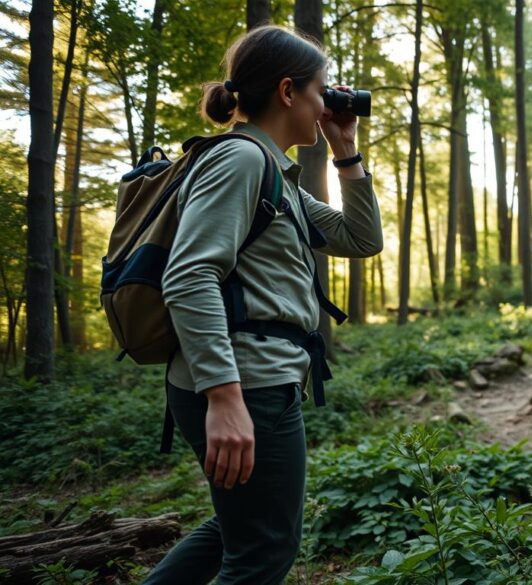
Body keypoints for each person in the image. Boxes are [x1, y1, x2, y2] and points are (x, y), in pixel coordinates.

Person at [140, 24, 383, 584]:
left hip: (256, 380)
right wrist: (224, 397)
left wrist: (346, 150)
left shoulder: (275, 173)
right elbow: (190, 273)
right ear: (287, 91)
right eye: (322, 90)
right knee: (264, 553)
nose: (328, 103)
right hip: (245, 383)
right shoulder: (242, 161)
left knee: (242, 531)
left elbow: (360, 240)